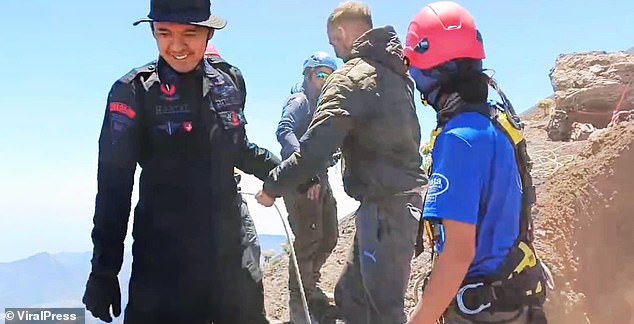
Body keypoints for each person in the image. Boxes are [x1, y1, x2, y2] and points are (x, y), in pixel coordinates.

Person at [81, 1, 281, 323]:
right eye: (164, 33)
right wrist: (104, 271)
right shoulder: (132, 93)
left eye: (189, 33)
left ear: (208, 33)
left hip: (230, 256)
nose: (176, 46)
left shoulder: (229, 83)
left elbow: (237, 147)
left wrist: (288, 172)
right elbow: (113, 188)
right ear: (152, 32)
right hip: (163, 262)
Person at [256, 2, 427, 323]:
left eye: (334, 42)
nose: (335, 48)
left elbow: (312, 152)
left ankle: (305, 308)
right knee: (352, 295)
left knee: (381, 309)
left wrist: (272, 187)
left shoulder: (350, 77)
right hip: (396, 204)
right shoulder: (397, 74)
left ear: (340, 32)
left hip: (384, 210)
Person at [403, 2, 549, 323]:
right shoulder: (495, 125)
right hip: (517, 303)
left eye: (416, 70)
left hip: (485, 310)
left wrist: (420, 318)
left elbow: (457, 255)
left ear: (434, 71)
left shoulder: (459, 139)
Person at [275, 51, 339, 323]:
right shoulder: (299, 101)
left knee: (330, 236)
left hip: (318, 178)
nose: (324, 80)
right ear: (308, 75)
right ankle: (299, 309)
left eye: (329, 75)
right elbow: (284, 130)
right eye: (320, 74)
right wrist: (307, 168)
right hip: (301, 180)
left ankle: (310, 289)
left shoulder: (321, 104)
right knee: (307, 241)